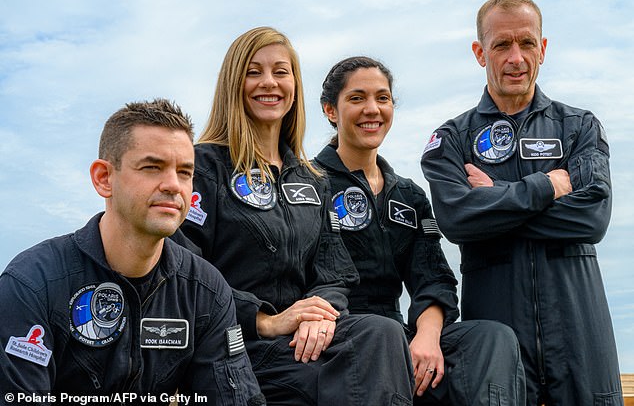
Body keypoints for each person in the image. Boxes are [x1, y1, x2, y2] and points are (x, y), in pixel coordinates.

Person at [176, 27, 414, 405]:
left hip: (299, 344)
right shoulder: (201, 166)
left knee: (383, 333)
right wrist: (265, 320)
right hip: (234, 344)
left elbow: (334, 272)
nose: (268, 83)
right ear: (233, 84)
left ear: (294, 85)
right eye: (254, 72)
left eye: (280, 72)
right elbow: (183, 268)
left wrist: (320, 314)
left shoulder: (313, 180)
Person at [420, 0, 623, 405]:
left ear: (543, 48)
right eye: (502, 45)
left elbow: (592, 219)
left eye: (527, 43)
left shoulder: (579, 127)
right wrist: (545, 188)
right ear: (480, 53)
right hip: (498, 344)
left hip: (581, 337)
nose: (516, 58)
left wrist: (495, 199)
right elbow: (458, 220)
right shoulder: (452, 140)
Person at [0, 99, 264, 405]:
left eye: (184, 172)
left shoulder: (206, 291)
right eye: (152, 167)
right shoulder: (31, 284)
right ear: (103, 178)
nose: (173, 185)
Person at [315, 56, 526, 405]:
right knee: (379, 338)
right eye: (357, 98)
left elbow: (433, 279)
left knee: (492, 337)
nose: (373, 109)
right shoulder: (308, 184)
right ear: (331, 111)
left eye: (382, 98)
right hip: (338, 336)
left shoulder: (409, 195)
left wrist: (426, 339)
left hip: (398, 333)